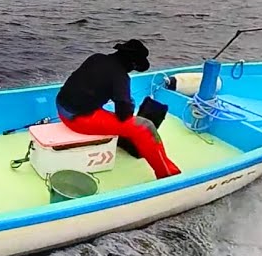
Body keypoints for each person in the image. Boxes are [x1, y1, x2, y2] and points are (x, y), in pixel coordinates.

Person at [54, 39, 181, 180]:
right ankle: (167, 175)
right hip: (78, 120)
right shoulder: (120, 76)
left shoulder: (96, 58)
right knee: (145, 127)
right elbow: (124, 115)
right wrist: (130, 102)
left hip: (61, 108)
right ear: (132, 63)